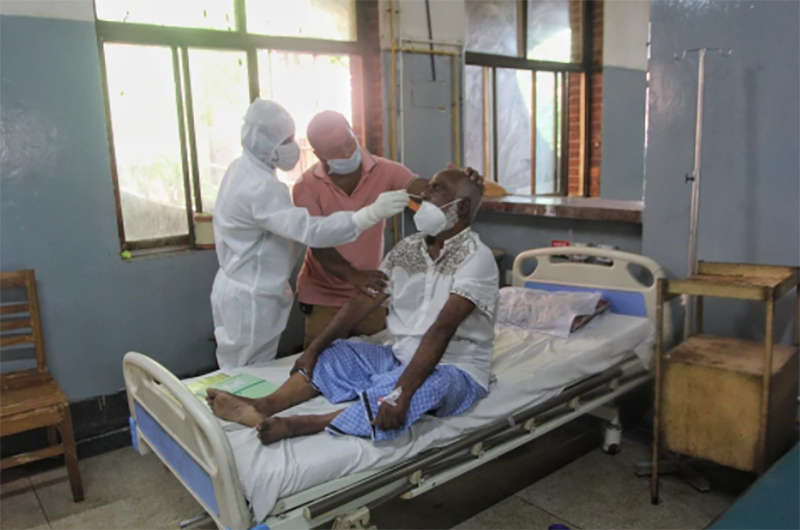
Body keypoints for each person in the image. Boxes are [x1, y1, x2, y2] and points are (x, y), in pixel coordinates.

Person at [208, 168, 498, 444]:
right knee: (336, 352)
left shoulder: (476, 258)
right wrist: (314, 350)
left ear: (460, 207)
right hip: (399, 356)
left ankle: (307, 423)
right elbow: (363, 300)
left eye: (436, 189)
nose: (424, 195)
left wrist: (401, 391)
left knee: (424, 386)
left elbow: (442, 329)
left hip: (456, 367)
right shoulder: (408, 249)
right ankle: (264, 405)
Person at [211, 100, 409, 369]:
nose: (293, 145)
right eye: (287, 140)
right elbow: (309, 231)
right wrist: (369, 214)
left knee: (246, 366)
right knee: (245, 370)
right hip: (251, 294)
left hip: (246, 286)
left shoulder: (243, 169)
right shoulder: (262, 187)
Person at [292, 111, 427, 349]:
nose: (347, 153)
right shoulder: (307, 187)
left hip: (369, 294)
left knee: (374, 356)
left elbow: (420, 189)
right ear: (319, 155)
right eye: (336, 151)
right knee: (321, 359)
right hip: (324, 295)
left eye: (349, 143)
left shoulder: (384, 170)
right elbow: (320, 246)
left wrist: (449, 182)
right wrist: (355, 276)